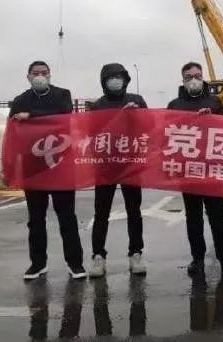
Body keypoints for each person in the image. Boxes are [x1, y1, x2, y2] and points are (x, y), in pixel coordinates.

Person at [8, 60, 86, 281]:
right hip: (33, 166)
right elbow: (13, 132)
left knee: (67, 217)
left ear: (50, 75)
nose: (40, 76)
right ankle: (37, 263)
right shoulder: (20, 100)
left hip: (61, 164)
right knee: (36, 219)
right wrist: (10, 166)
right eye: (36, 73)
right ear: (28, 76)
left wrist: (31, 116)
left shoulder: (62, 95)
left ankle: (75, 263)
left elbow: (61, 116)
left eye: (44, 72)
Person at [167, 61, 223, 279]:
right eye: (189, 76)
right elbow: (168, 133)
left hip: (211, 169)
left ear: (203, 77)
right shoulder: (174, 105)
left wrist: (212, 118)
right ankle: (197, 259)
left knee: (218, 217)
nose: (194, 80)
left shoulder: (214, 101)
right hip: (188, 169)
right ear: (183, 80)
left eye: (197, 75)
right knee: (193, 217)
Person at [88, 63, 148, 278]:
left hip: (130, 164)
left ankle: (136, 253)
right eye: (110, 77)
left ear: (125, 79)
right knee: (101, 213)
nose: (115, 80)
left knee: (134, 211)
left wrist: (135, 115)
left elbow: (148, 128)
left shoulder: (137, 100)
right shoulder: (97, 106)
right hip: (106, 166)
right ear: (104, 81)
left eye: (118, 77)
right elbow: (92, 134)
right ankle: (98, 256)